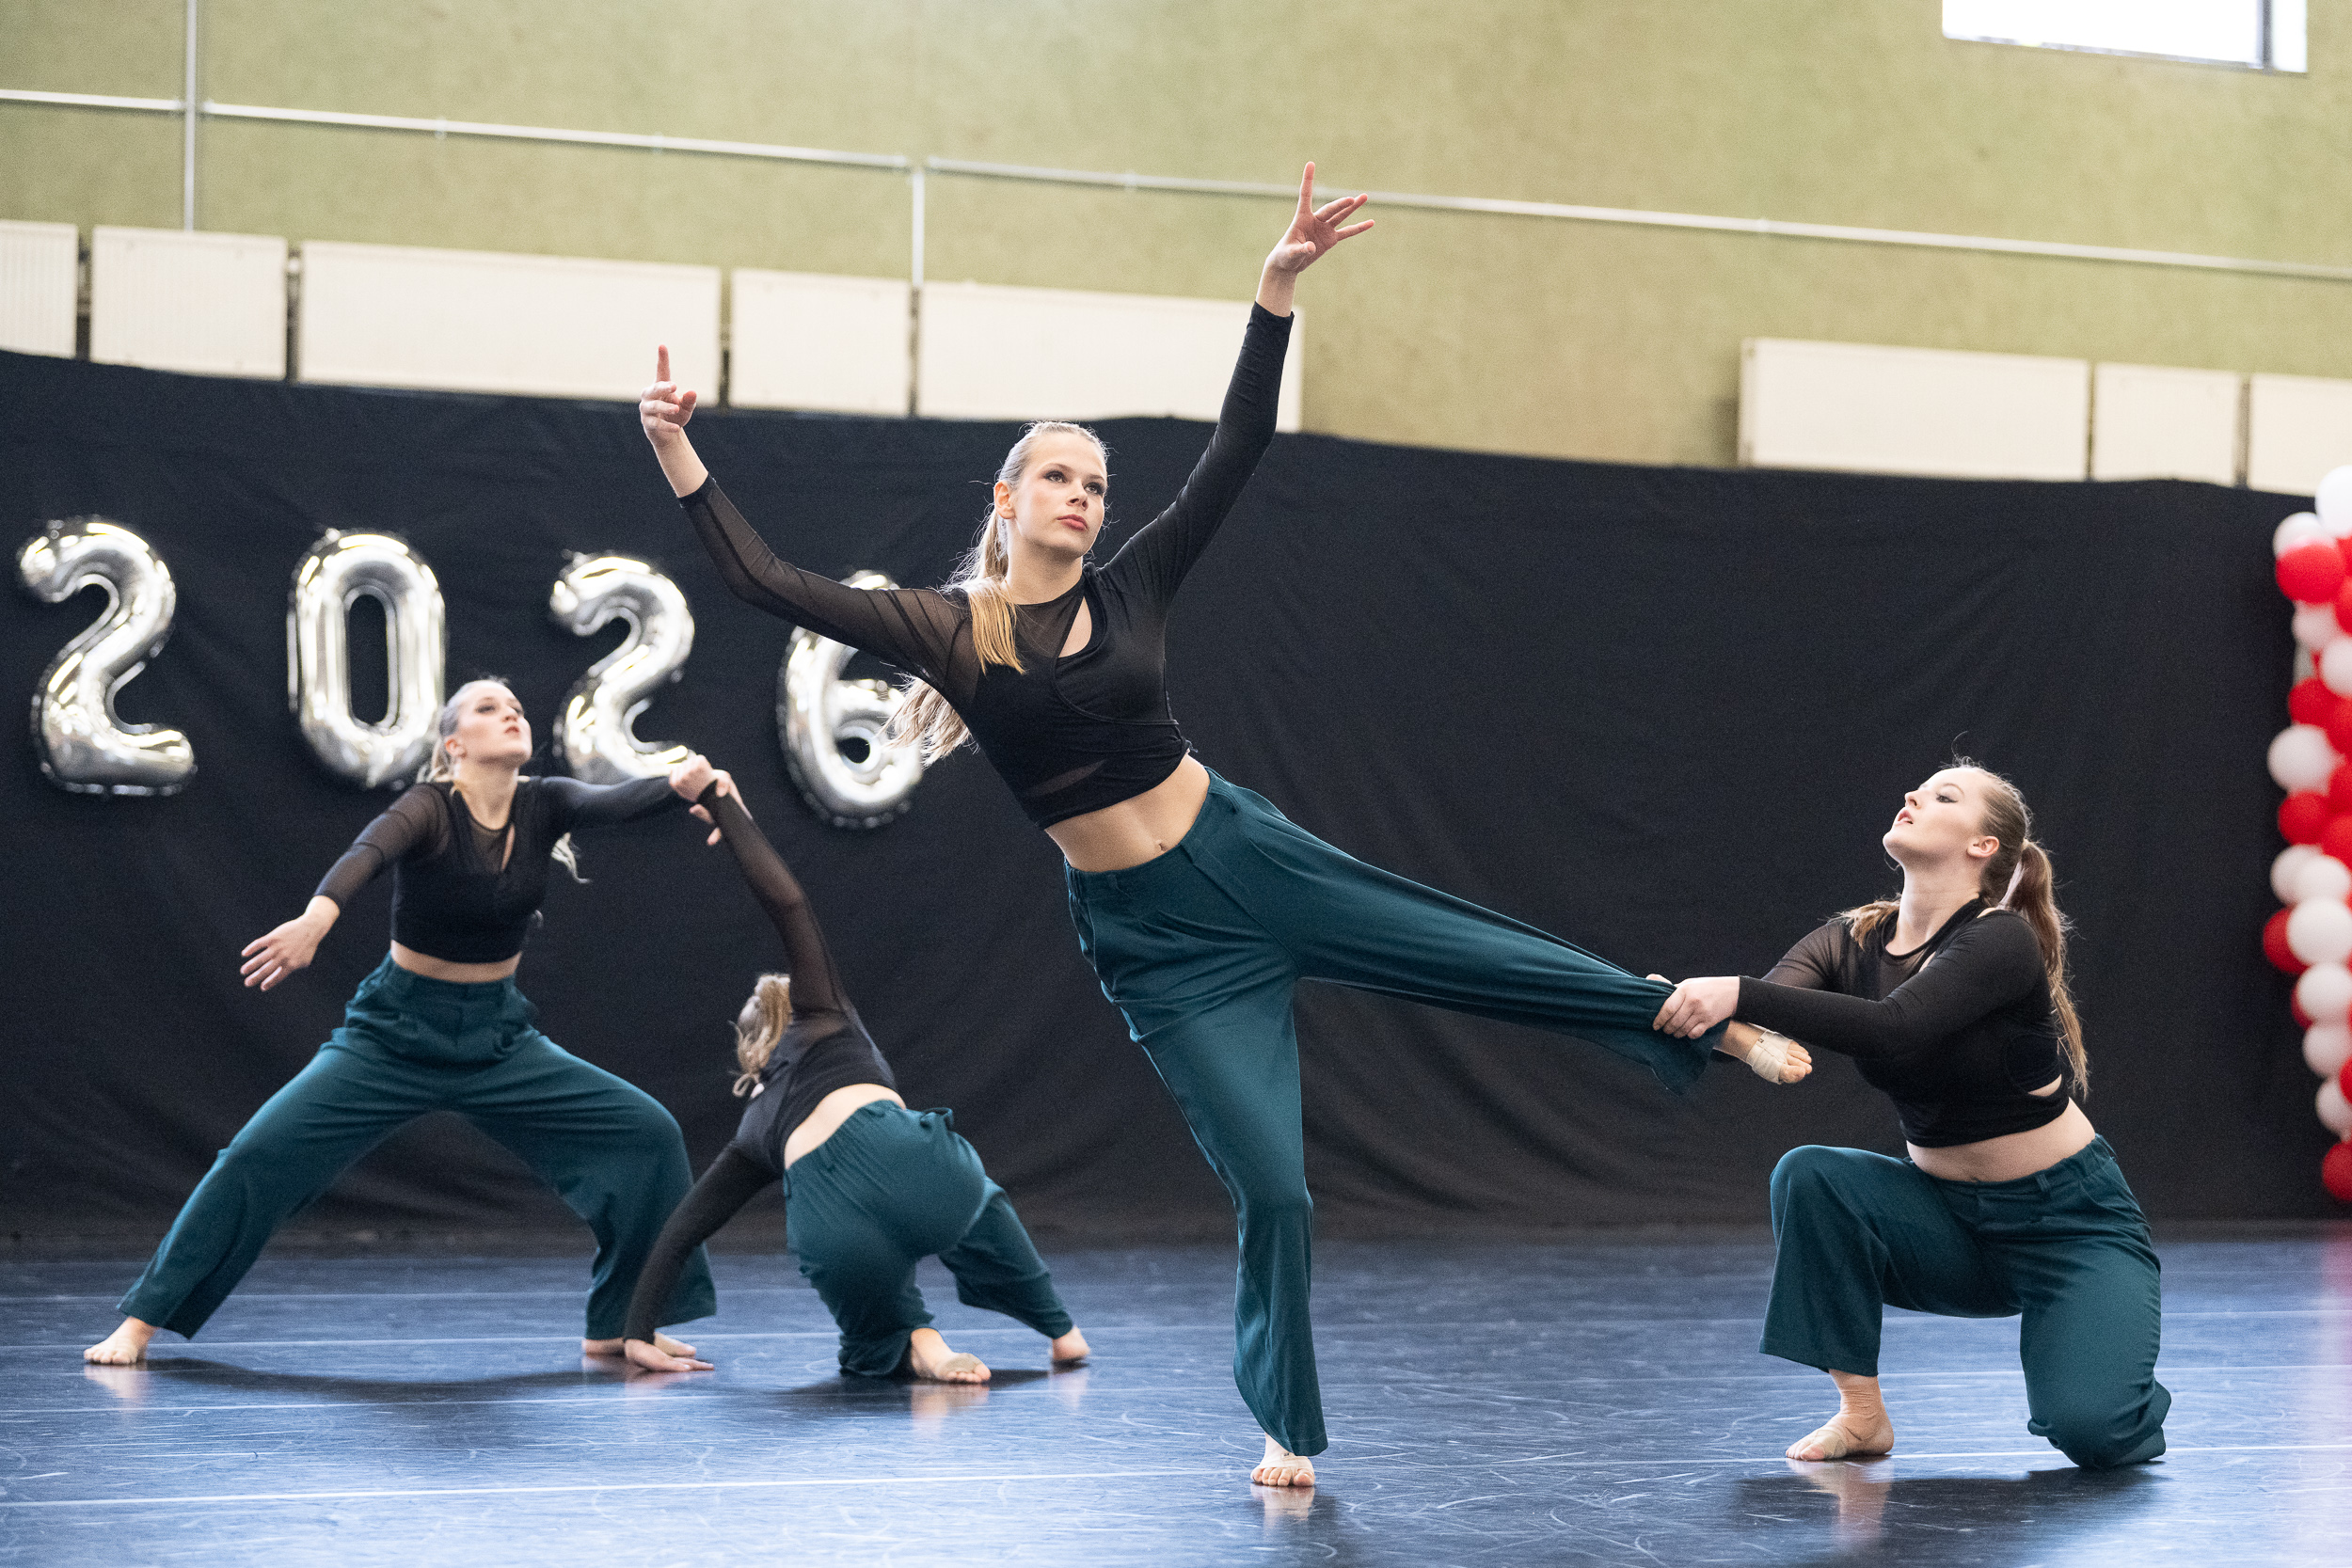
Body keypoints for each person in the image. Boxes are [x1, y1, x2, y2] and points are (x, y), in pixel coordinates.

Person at [637, 163, 1808, 1486]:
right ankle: (1284, 1419)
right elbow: (764, 579)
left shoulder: (1134, 586)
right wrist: (677, 447)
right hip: (1159, 944)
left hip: (1247, 857)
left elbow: (1238, 444)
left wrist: (1275, 289)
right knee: (1276, 1187)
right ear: (1007, 500)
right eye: (1059, 477)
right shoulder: (951, 630)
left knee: (1469, 948)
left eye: (1096, 482)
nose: (1084, 496)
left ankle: (1687, 1017)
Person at [85, 679, 720, 1366]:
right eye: (488, 709)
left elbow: (621, 800)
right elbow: (368, 852)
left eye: (515, 707)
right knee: (255, 1158)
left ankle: (622, 1322)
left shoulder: (546, 803)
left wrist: (691, 783)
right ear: (454, 744)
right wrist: (316, 920)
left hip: (497, 1039)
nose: (511, 713)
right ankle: (141, 1321)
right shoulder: (429, 807)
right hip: (395, 1033)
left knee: (646, 1133)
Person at [1653, 763, 2169, 1470]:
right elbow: (1758, 1031)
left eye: (1944, 795)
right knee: (1811, 1176)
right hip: (1946, 1223)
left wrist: (1732, 995)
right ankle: (1861, 1414)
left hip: (2069, 1226)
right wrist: (1672, 1012)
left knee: (2093, 1431)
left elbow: (1896, 1028)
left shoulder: (2000, 940)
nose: (1913, 796)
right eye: (1919, 789)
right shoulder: (1847, 941)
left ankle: (2107, 1359)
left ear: (1984, 846)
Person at [619, 760, 1089, 1384]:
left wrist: (637, 1331)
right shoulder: (824, 1016)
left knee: (872, 1329)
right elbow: (787, 902)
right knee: (980, 1209)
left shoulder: (754, 1130)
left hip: (831, 1227)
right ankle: (1059, 1328)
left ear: (755, 1050)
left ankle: (915, 1339)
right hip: (912, 1165)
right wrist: (720, 802)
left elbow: (682, 1228)